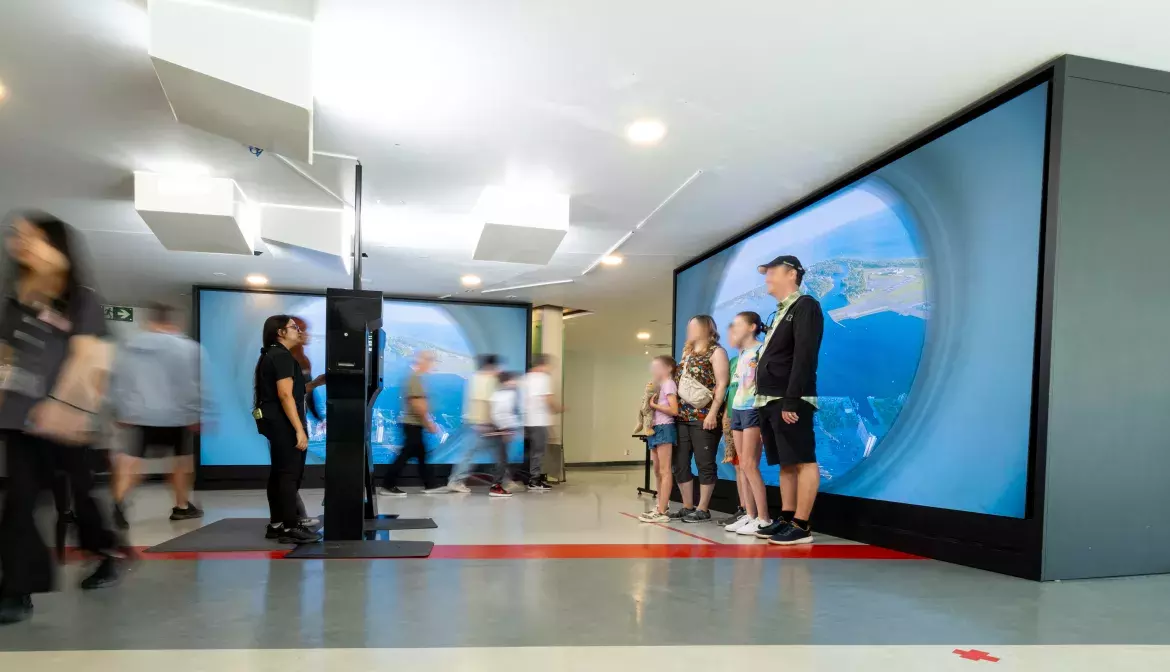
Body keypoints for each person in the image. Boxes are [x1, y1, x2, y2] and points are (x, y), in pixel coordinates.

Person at [0, 212, 123, 625]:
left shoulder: (80, 298)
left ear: (58, 248)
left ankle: (105, 552)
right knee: (19, 501)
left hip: (67, 422)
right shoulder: (14, 303)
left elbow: (88, 358)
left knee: (82, 501)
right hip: (19, 419)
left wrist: (63, 406)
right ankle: (17, 589)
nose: (20, 242)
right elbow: (6, 357)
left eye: (32, 237)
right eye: (18, 236)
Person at [109, 302, 203, 528]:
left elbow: (118, 379)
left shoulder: (129, 346)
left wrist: (120, 410)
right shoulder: (188, 348)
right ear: (173, 322)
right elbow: (192, 384)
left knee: (131, 464)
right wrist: (197, 413)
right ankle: (181, 507)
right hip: (176, 416)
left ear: (150, 322)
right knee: (181, 464)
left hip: (138, 414)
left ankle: (118, 505)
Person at [751, 256, 824, 546]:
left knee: (803, 458)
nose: (767, 276)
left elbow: (805, 355)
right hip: (770, 398)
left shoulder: (805, 305)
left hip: (789, 398)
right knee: (785, 461)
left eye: (771, 271)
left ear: (791, 274)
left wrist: (792, 400)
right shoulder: (780, 312)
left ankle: (802, 524)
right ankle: (787, 517)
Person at [253, 315, 320, 544]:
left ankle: (278, 524)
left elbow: (290, 390)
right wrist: (299, 429)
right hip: (284, 424)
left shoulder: (271, 355)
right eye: (294, 327)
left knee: (279, 474)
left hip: (274, 423)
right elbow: (284, 395)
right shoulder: (282, 356)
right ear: (280, 332)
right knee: (289, 475)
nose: (298, 331)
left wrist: (316, 383)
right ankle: (290, 527)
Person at [671, 315, 730, 523]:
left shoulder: (717, 352)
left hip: (704, 416)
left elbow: (722, 384)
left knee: (704, 462)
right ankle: (687, 506)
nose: (689, 329)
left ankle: (703, 508)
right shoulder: (686, 353)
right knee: (679, 463)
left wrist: (713, 413)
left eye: (694, 326)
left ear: (707, 328)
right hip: (681, 416)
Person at [722, 312, 773, 536]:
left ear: (752, 327)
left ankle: (764, 518)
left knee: (751, 465)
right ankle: (750, 516)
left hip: (754, 409)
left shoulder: (761, 350)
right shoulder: (741, 354)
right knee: (742, 464)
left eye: (739, 324)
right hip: (738, 410)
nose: (734, 328)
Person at [379, 350, 446, 496]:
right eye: (430, 361)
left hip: (413, 424)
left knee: (421, 455)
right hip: (412, 424)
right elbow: (417, 405)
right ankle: (388, 485)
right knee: (405, 455)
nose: (431, 365)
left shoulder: (415, 378)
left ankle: (430, 484)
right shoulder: (414, 378)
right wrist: (429, 423)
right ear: (422, 361)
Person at [447, 354, 500, 493]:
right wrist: (489, 423)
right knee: (471, 453)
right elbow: (486, 402)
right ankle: (456, 480)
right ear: (491, 366)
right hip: (481, 424)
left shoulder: (475, 377)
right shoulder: (487, 379)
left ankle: (504, 479)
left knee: (478, 452)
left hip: (473, 422)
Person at [289, 316, 324, 525]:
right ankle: (293, 518)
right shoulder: (285, 359)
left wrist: (319, 417)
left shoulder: (303, 360)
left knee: (294, 471)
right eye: (300, 330)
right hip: (288, 422)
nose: (305, 334)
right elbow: (288, 394)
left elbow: (306, 393)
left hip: (299, 420)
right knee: (288, 472)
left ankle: (295, 516)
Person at [639, 355, 678, 522]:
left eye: (658, 367)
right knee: (657, 471)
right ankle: (661, 506)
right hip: (654, 429)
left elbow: (674, 410)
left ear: (668, 368)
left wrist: (654, 406)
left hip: (664, 427)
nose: (654, 371)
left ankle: (662, 511)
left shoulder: (669, 384)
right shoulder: (658, 385)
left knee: (665, 470)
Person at [523, 354, 562, 491]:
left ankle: (530, 478)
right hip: (539, 420)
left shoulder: (526, 377)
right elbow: (548, 399)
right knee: (538, 451)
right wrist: (558, 409)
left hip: (527, 420)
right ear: (543, 364)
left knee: (531, 451)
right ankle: (534, 480)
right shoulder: (543, 378)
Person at [486, 371, 521, 497]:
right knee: (501, 459)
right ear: (506, 381)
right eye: (513, 379)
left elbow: (493, 413)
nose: (515, 382)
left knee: (501, 458)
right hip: (502, 429)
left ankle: (498, 484)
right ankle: (496, 487)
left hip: (499, 428)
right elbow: (502, 413)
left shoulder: (496, 394)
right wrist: (505, 429)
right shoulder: (508, 395)